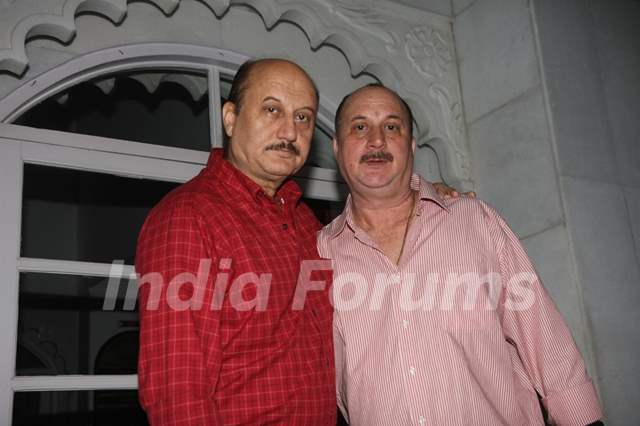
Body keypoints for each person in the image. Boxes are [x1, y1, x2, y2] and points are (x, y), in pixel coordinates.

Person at [317, 83, 604, 425]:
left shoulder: (475, 221)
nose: (376, 140)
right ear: (337, 148)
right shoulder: (320, 252)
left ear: (410, 146)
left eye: (391, 126)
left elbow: (543, 336)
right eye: (360, 126)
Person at [135, 58, 336, 425]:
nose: (289, 131)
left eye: (303, 117)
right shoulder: (189, 217)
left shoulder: (306, 224)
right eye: (272, 109)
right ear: (231, 119)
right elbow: (179, 395)